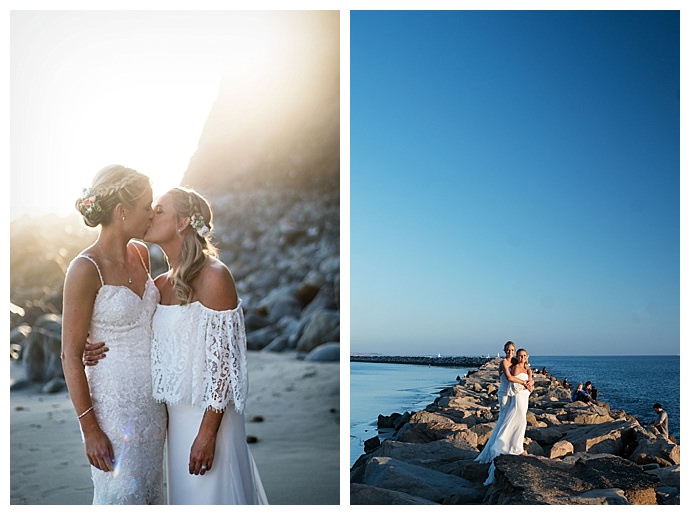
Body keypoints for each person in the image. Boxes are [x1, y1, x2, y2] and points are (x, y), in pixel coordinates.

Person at [85, 187, 268, 504]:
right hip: (174, 419)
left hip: (211, 419)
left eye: (159, 211)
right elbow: (139, 335)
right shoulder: (158, 285)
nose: (150, 215)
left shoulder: (215, 276)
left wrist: (207, 433)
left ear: (183, 222)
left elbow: (224, 364)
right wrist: (93, 344)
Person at [61, 165, 167, 504]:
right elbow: (69, 354)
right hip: (113, 412)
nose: (152, 213)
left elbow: (148, 322)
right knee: (121, 497)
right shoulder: (84, 268)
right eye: (146, 206)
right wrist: (90, 430)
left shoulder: (141, 254)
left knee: (149, 496)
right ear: (122, 212)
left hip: (153, 410)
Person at [475, 348, 533, 485]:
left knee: (519, 422)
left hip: (525, 398)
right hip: (517, 398)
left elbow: (531, 383)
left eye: (524, 355)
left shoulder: (527, 369)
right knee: (517, 421)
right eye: (519, 355)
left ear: (527, 356)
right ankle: (507, 446)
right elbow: (513, 386)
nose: (521, 357)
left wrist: (530, 385)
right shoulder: (515, 368)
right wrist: (525, 385)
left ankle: (516, 446)